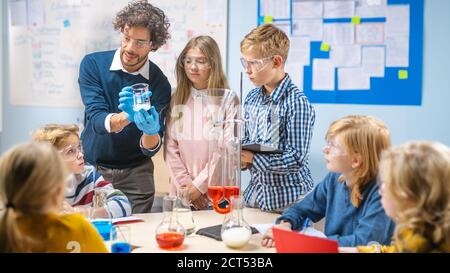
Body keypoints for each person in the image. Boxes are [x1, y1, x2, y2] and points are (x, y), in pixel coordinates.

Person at [78, 0, 171, 213]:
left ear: (153, 45)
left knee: (135, 237)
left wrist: (151, 130)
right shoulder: (92, 65)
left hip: (136, 177)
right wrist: (126, 117)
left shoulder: (158, 82)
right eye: (126, 38)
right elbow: (97, 118)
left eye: (140, 43)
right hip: (94, 171)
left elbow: (151, 147)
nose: (130, 48)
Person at [262, 115, 396, 247]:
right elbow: (302, 209)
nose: (325, 149)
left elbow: (363, 242)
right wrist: (285, 226)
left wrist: (303, 241)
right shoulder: (335, 178)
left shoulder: (382, 192)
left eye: (333, 145)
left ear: (355, 160)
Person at [240, 24, 316, 212]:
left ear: (276, 62)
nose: (247, 70)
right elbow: (249, 143)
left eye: (254, 63)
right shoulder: (251, 98)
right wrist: (240, 157)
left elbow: (296, 159)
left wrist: (253, 159)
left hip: (289, 203)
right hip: (255, 199)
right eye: (245, 62)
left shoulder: (297, 103)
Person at [0, 142, 108, 253]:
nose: (80, 155)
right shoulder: (77, 228)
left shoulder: (5, 232)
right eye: (70, 151)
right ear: (58, 190)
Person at [346, 141, 449, 253]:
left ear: (411, 195)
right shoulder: (421, 230)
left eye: (386, 182)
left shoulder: (420, 245)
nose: (380, 189)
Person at [164, 36, 229, 210]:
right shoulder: (177, 99)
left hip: (216, 193)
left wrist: (199, 187)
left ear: (213, 64)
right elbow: (170, 148)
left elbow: (224, 151)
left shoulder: (228, 101)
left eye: (201, 61)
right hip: (181, 194)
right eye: (188, 61)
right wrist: (187, 189)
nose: (193, 67)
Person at [32, 124, 132, 219]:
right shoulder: (38, 186)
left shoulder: (90, 176)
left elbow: (123, 204)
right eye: (70, 151)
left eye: (79, 147)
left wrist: (83, 213)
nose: (81, 155)